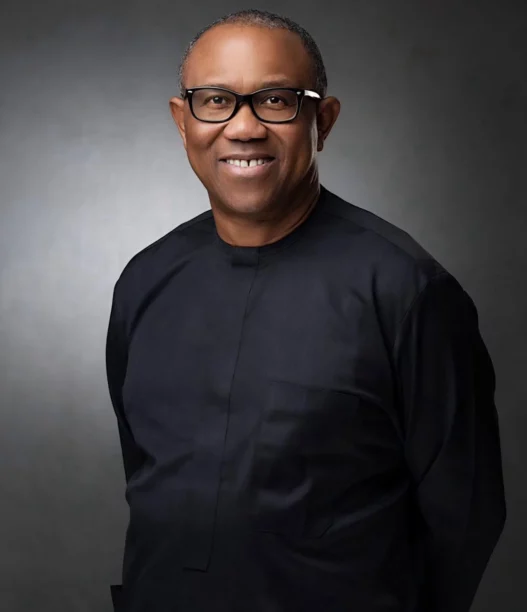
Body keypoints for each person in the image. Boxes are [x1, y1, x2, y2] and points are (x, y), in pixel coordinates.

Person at [105, 9, 506, 612]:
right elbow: (145, 474)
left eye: (276, 101)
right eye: (215, 101)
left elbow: (465, 515)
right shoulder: (145, 280)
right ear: (182, 121)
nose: (243, 128)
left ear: (324, 120)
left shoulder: (406, 290)